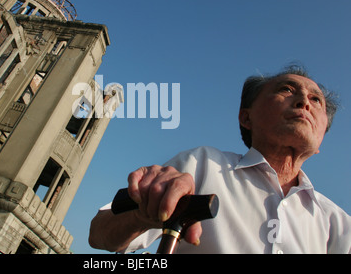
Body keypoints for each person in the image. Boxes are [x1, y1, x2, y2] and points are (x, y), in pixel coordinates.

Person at [89, 65, 351, 254]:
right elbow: (99, 234)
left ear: (321, 140)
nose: (305, 101)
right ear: (245, 117)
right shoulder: (202, 165)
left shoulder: (337, 224)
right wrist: (143, 215)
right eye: (286, 89)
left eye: (316, 100)